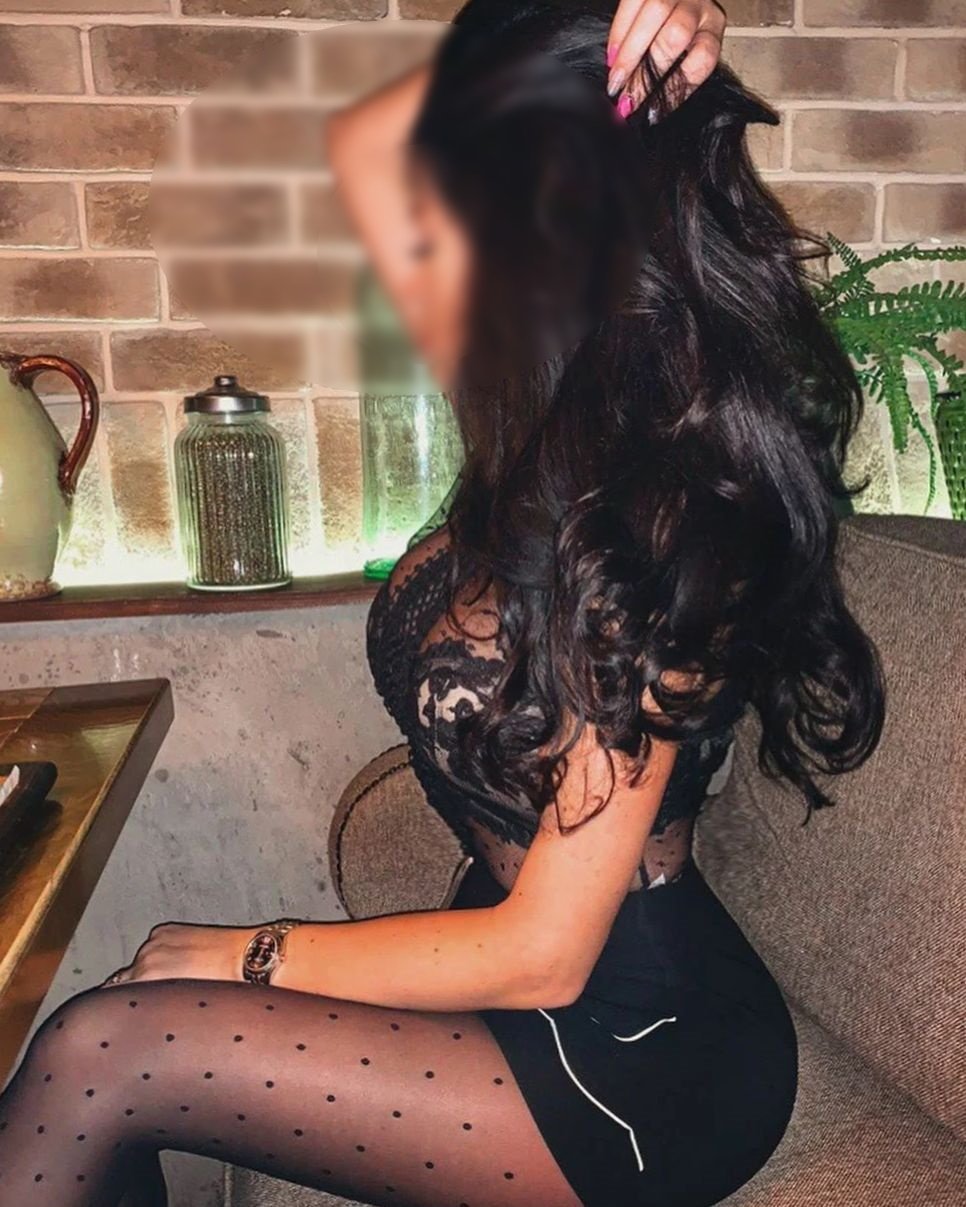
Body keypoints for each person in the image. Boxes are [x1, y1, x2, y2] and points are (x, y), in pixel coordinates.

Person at [0, 3, 888, 1206]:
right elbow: (365, 145)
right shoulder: (540, 424)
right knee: (104, 1051)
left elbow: (548, 952)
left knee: (104, 1051)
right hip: (524, 970)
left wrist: (258, 952)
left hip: (639, 1049)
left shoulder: (670, 514)